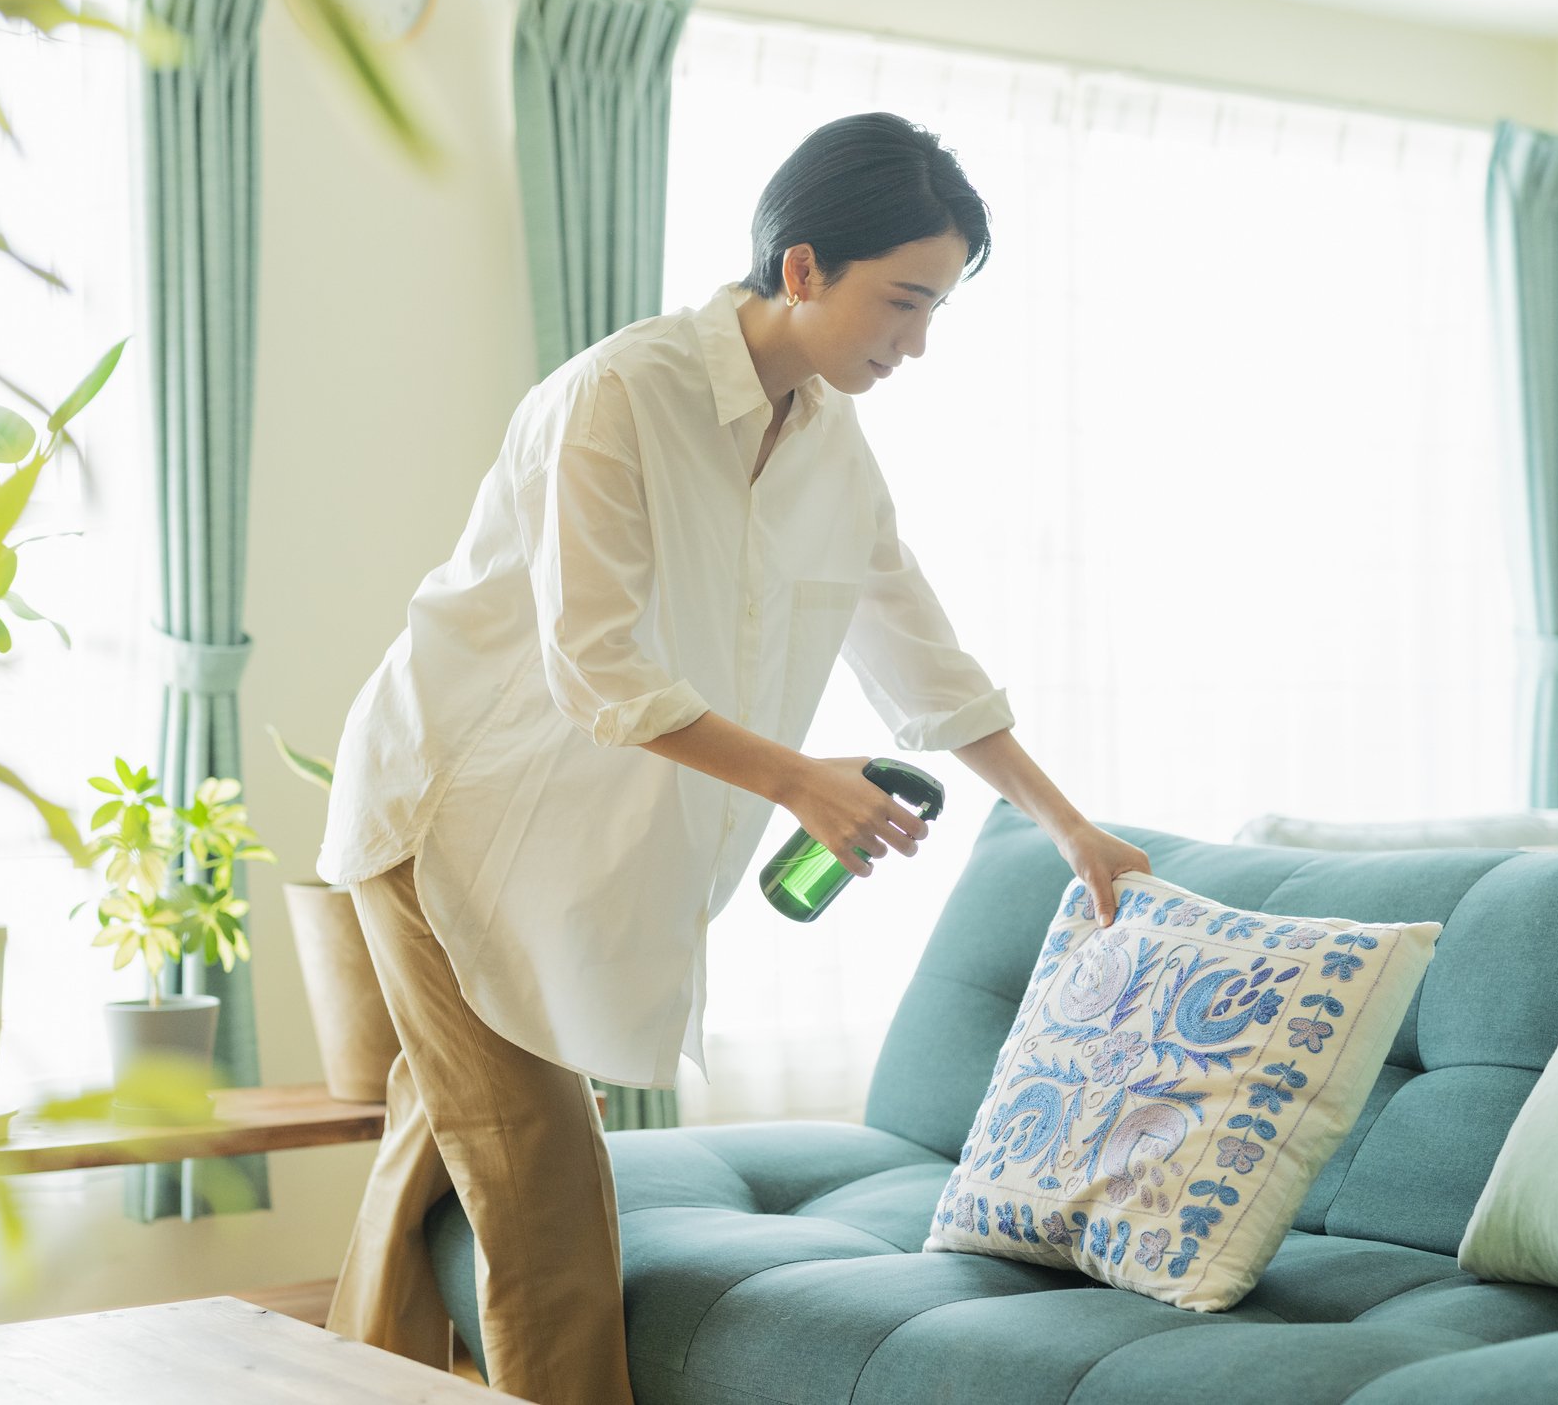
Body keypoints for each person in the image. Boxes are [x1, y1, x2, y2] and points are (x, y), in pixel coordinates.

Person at [316, 111, 1151, 1403]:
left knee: (436, 1149)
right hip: (450, 828)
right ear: (803, 267)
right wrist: (801, 781)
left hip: (570, 864)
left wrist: (1067, 824)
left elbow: (920, 652)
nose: (916, 342)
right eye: (903, 301)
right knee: (542, 1193)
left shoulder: (829, 445)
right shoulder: (616, 396)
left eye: (935, 311)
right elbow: (597, 667)